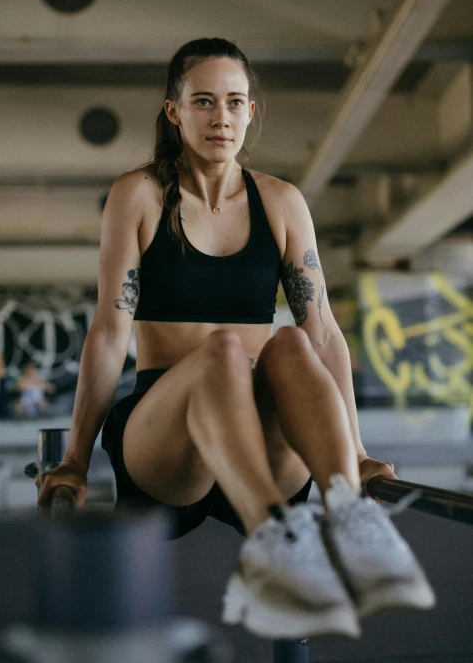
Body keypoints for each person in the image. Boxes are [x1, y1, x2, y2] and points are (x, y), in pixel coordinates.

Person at [37, 38, 435, 639]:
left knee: (291, 345)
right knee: (224, 350)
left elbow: (322, 330)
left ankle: (349, 520)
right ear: (174, 111)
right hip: (167, 440)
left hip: (262, 436)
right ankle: (276, 542)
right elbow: (111, 326)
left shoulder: (281, 201)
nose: (220, 117)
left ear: (251, 111)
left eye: (234, 102)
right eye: (202, 101)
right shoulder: (138, 195)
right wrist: (74, 458)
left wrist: (353, 453)